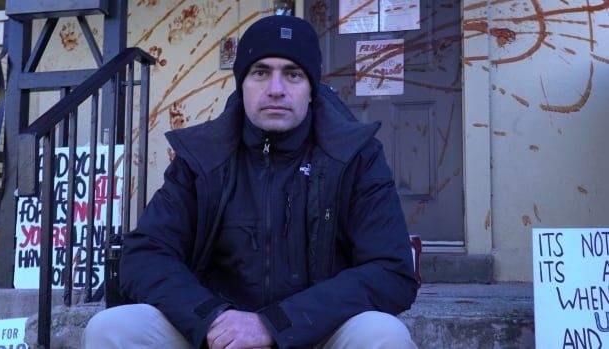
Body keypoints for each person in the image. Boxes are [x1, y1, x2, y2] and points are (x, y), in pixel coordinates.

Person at [83, 15, 419, 349]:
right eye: (260, 73)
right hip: (216, 333)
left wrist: (275, 323)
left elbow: (391, 271)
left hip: (314, 332)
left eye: (293, 74)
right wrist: (210, 318)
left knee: (382, 335)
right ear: (241, 83)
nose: (276, 90)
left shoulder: (354, 156)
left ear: (312, 89)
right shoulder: (203, 156)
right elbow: (145, 255)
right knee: (111, 329)